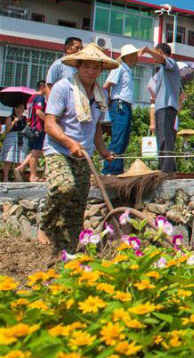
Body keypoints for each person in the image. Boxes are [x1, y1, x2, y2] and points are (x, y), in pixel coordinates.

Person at [40, 44, 116, 254]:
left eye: (95, 68)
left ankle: (67, 253)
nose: (91, 72)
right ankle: (46, 223)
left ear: (101, 70)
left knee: (77, 206)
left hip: (85, 154)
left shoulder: (101, 95)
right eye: (87, 67)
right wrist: (69, 143)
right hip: (59, 150)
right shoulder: (63, 87)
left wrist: (103, 151)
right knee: (64, 187)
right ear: (78, 66)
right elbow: (49, 124)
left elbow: (97, 126)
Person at [141, 43, 181, 173]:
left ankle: (167, 170)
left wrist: (147, 51)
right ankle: (165, 166)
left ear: (159, 52)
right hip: (160, 106)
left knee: (166, 137)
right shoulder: (160, 72)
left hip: (167, 106)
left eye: (155, 53)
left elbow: (163, 59)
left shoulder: (171, 64)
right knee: (161, 138)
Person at [101, 44, 139, 175]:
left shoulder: (128, 70)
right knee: (118, 137)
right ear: (128, 56)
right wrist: (107, 102)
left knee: (124, 138)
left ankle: (117, 168)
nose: (137, 58)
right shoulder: (119, 68)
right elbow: (106, 85)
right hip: (119, 104)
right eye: (135, 55)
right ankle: (110, 169)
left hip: (126, 105)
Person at [14, 81, 47, 181]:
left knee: (37, 151)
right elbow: (38, 111)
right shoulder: (39, 98)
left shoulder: (31, 98)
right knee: (36, 152)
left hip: (31, 127)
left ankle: (21, 167)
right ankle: (33, 175)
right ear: (42, 87)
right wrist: (49, 121)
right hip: (38, 127)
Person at [2, 104, 28, 181]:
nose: (22, 110)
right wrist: (14, 121)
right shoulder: (10, 117)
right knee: (8, 159)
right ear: (15, 108)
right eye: (20, 108)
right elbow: (7, 129)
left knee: (20, 158)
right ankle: (5, 177)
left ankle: (17, 177)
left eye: (23, 108)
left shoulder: (24, 118)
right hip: (11, 137)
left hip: (21, 138)